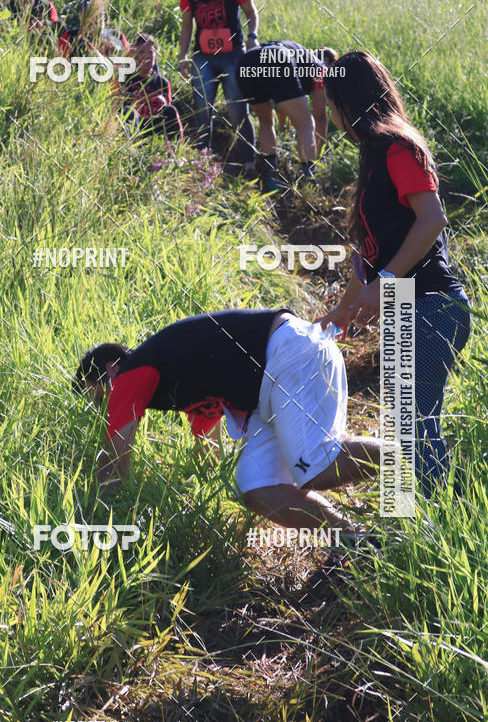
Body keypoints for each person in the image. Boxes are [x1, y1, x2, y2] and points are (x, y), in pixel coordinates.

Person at [73, 308, 383, 570]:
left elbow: (114, 463)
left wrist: (96, 523)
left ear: (110, 371)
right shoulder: (177, 377)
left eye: (94, 393)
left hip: (290, 353)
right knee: (254, 486)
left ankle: (408, 458)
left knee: (315, 466)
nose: (99, 404)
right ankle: (355, 539)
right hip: (271, 385)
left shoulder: (129, 374)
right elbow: (208, 453)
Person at [319, 50, 472, 499]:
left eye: (333, 105)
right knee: (407, 423)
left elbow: (432, 220)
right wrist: (344, 310)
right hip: (409, 305)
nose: (332, 115)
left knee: (415, 425)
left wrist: (385, 284)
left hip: (431, 304)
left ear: (351, 100)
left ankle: (431, 525)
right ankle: (412, 525)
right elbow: (368, 257)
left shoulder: (397, 147)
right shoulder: (373, 155)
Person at [178, 0, 257, 176]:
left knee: (237, 111)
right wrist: (183, 56)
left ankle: (249, 164)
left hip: (233, 55)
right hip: (203, 56)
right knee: (202, 109)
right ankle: (203, 163)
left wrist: (253, 36)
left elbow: (252, 13)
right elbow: (186, 26)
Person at [235, 41, 337, 191]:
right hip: (276, 59)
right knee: (307, 125)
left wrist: (283, 126)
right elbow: (320, 117)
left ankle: (272, 178)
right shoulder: (322, 70)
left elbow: (282, 101)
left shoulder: (299, 59)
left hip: (246, 61)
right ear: (328, 63)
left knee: (266, 122)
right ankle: (310, 183)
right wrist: (318, 154)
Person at [118, 33, 183, 141]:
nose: (147, 56)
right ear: (134, 55)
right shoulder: (126, 79)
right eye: (142, 52)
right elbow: (118, 109)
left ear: (155, 54)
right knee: (128, 111)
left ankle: (174, 149)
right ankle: (132, 148)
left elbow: (167, 109)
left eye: (150, 52)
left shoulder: (163, 83)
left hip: (155, 126)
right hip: (135, 125)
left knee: (171, 110)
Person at [58, 0, 128, 59]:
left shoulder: (118, 36)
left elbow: (128, 64)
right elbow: (61, 64)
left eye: (97, 15)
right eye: (89, 15)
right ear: (81, 17)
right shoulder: (70, 37)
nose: (94, 20)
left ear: (104, 15)